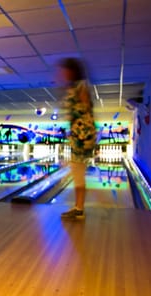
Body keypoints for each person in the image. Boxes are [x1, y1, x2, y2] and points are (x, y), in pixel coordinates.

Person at [57, 58, 97, 220]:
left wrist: (84, 134)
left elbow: (85, 110)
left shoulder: (80, 87)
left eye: (64, 71)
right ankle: (78, 208)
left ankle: (79, 208)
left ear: (71, 71)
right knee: (77, 170)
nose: (62, 74)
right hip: (79, 135)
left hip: (82, 136)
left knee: (77, 170)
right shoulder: (74, 87)